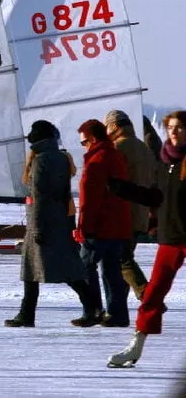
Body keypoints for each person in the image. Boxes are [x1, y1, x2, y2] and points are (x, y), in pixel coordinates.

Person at [3, 120, 102, 328]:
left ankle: (27, 314)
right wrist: (68, 223)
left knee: (35, 270)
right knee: (63, 269)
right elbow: (64, 193)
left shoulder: (40, 160)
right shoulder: (61, 157)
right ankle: (90, 308)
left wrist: (37, 227)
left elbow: (39, 196)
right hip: (58, 218)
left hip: (42, 221)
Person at [107, 110, 186, 367]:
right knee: (152, 293)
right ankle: (136, 346)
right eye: (171, 127)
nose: (174, 132)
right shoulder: (166, 163)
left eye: (180, 128)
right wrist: (122, 189)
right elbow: (157, 198)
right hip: (171, 236)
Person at [76, 119, 132, 327]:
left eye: (83, 142)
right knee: (111, 270)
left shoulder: (96, 161)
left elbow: (90, 200)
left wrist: (84, 227)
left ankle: (93, 311)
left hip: (100, 226)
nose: (83, 146)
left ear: (92, 139)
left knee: (83, 268)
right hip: (119, 224)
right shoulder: (115, 155)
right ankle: (118, 315)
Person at [105, 110, 158, 302]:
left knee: (121, 260)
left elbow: (111, 183)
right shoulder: (144, 148)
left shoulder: (118, 148)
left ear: (114, 126)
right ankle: (118, 308)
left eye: (107, 127)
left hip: (122, 213)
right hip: (141, 214)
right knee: (124, 260)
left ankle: (148, 294)